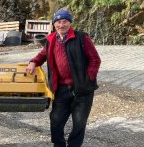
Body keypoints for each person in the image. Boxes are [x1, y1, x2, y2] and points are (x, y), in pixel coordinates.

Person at [26, 9, 101, 147]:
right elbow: (43, 55)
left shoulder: (81, 38)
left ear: (70, 22)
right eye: (58, 22)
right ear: (54, 24)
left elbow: (95, 60)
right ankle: (58, 144)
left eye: (65, 21)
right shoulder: (50, 40)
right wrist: (33, 62)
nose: (62, 25)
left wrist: (88, 78)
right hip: (61, 88)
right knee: (56, 119)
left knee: (79, 121)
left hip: (82, 88)